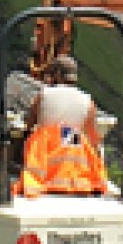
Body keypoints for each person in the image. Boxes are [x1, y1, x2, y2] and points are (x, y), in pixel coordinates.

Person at [18, 54, 107, 196]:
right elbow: (94, 139)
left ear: (57, 74)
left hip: (42, 171)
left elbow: (28, 125)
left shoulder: (44, 95)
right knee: (80, 141)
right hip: (74, 174)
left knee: (31, 139)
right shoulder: (87, 100)